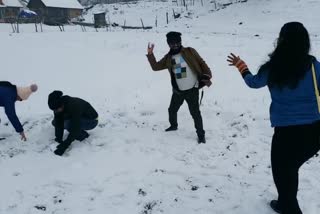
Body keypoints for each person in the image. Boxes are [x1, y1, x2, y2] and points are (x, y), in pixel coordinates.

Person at [227, 22, 320, 214]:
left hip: (286, 135)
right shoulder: (314, 67)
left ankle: (288, 206)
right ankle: (286, 203)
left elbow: (253, 83)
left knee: (283, 174)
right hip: (314, 133)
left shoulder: (273, 69)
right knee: (290, 170)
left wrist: (241, 66)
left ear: (281, 41)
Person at [146, 31, 212, 143]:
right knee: (172, 110)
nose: (175, 45)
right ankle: (173, 126)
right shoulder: (168, 58)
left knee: (195, 113)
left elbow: (202, 63)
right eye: (172, 44)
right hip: (178, 91)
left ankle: (201, 135)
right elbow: (156, 67)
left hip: (192, 89)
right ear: (169, 44)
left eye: (177, 42)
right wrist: (150, 54)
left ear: (180, 42)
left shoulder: (190, 51)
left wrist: (207, 75)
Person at [48, 90, 98, 156]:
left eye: (57, 109)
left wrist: (64, 145)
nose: (55, 111)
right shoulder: (58, 106)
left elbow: (75, 127)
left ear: (61, 104)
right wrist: (58, 139)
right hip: (79, 117)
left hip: (91, 121)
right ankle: (77, 132)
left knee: (68, 124)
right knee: (55, 122)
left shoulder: (74, 105)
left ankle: (83, 135)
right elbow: (58, 121)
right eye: (54, 110)